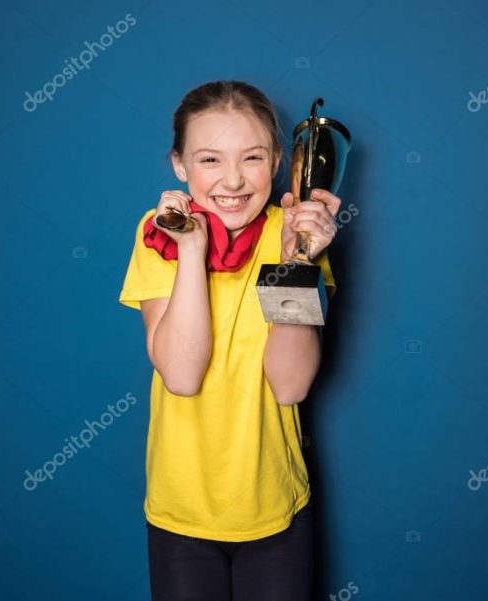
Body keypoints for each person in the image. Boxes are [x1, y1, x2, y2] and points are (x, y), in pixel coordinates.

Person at [118, 80, 343, 601]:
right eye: (210, 160)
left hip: (274, 505)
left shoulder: (297, 234)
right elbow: (181, 374)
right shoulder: (160, 233)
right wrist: (191, 251)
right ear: (180, 165)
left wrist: (297, 263)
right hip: (182, 509)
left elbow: (289, 385)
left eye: (253, 158)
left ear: (279, 162)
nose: (234, 181)